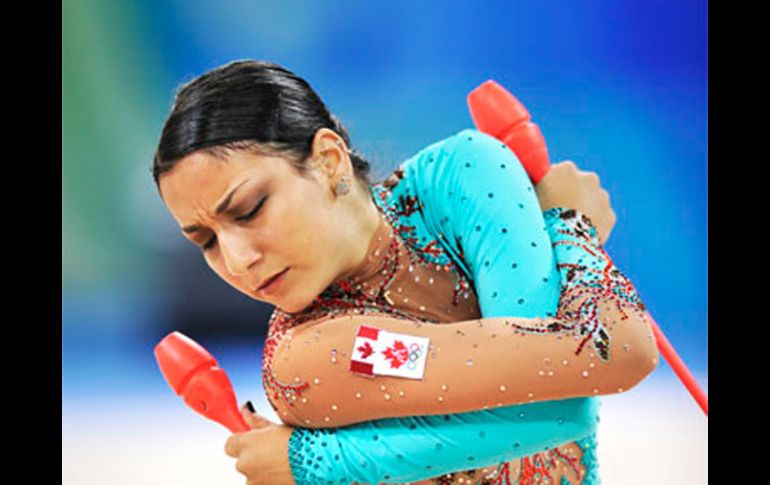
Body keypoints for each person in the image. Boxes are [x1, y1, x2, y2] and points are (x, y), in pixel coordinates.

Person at [153, 60, 658, 484]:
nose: (238, 259)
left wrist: (315, 463)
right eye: (207, 241)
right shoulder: (308, 356)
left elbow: (582, 371)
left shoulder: (464, 175)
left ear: (329, 160)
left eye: (249, 210)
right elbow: (592, 370)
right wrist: (570, 227)